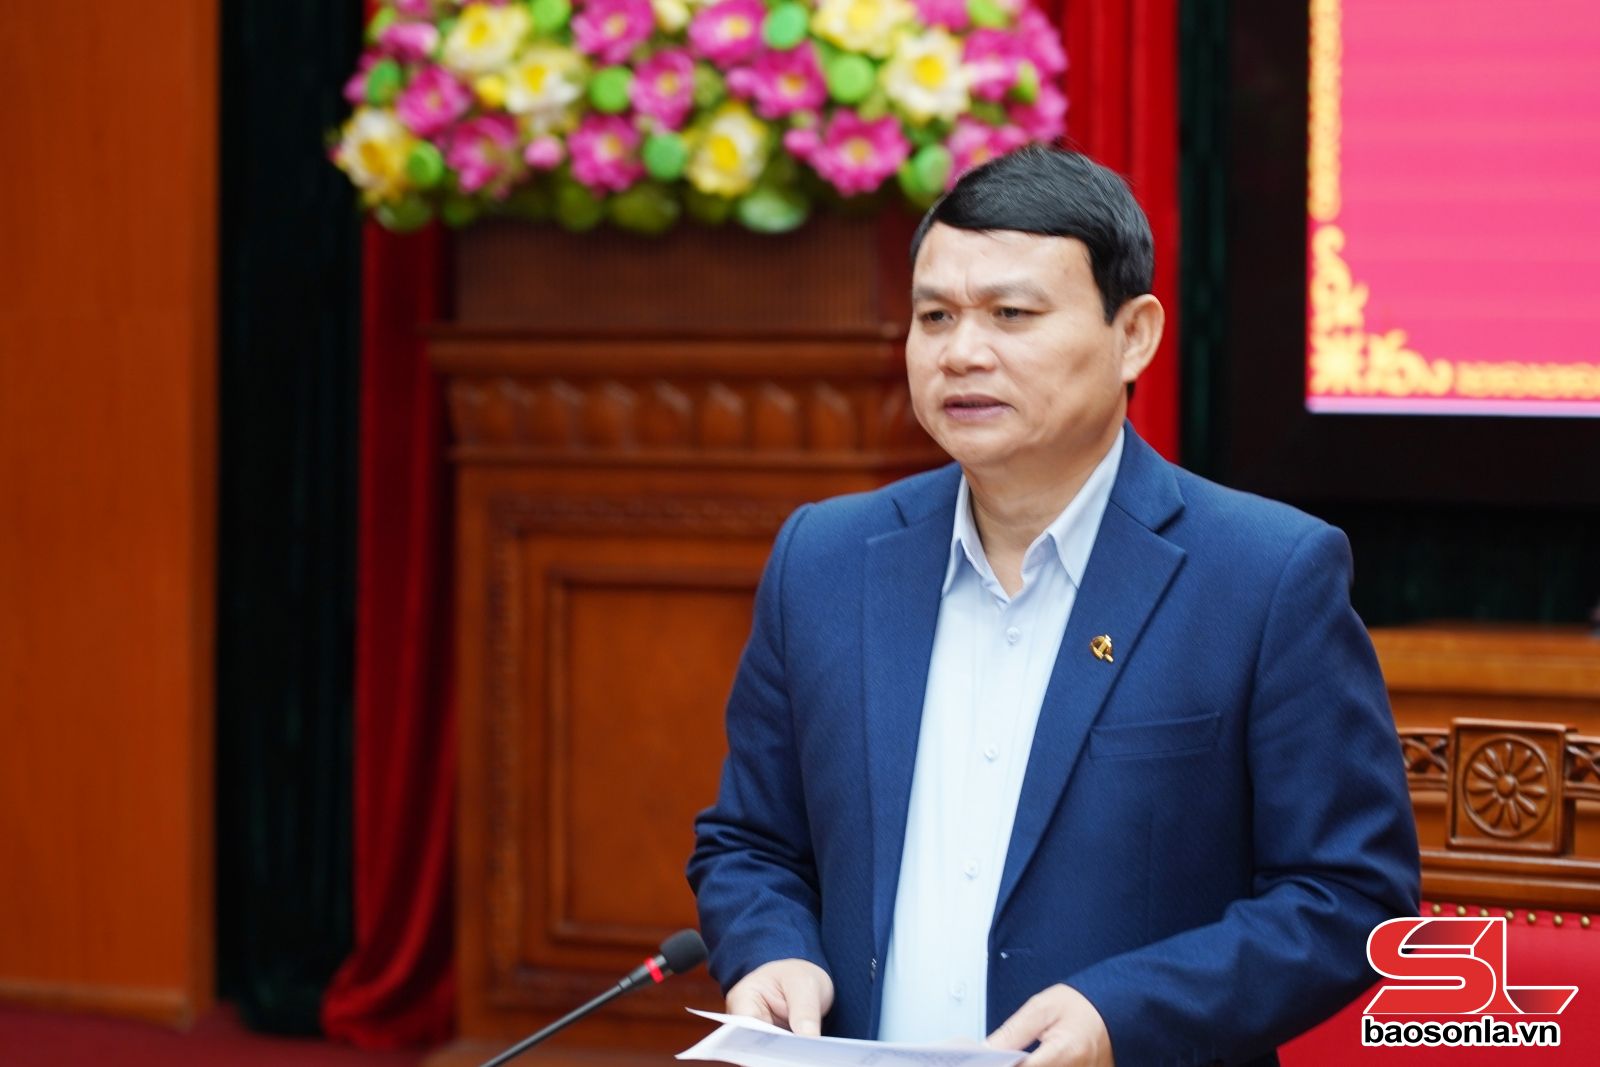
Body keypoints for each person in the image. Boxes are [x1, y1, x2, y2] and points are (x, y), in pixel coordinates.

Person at [687, 145, 1419, 1066]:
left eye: (1012, 314)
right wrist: (772, 950)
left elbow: (1350, 896)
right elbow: (751, 843)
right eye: (935, 316)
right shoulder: (825, 559)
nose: (962, 351)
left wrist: (1123, 1014)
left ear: (1134, 335)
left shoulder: (1265, 575)